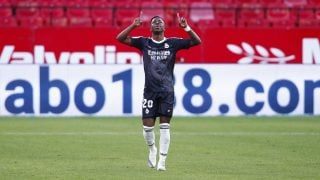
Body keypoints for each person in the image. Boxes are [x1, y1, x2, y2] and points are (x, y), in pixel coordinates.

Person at [116, 12, 201, 171]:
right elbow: (119, 38)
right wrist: (134, 25)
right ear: (150, 27)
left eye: (160, 22)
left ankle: (162, 160)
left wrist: (187, 28)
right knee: (147, 128)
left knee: (164, 126)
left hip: (167, 91)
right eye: (154, 22)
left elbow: (197, 41)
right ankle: (152, 149)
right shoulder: (144, 42)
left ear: (164, 27)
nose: (157, 24)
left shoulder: (173, 43)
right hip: (149, 91)